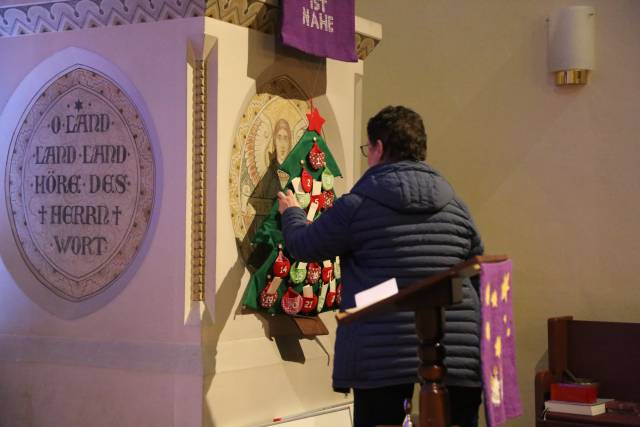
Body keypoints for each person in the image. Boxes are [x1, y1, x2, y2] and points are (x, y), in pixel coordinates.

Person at [277, 106, 484, 427]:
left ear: (379, 148)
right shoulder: (458, 208)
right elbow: (477, 274)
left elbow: (305, 245)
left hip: (381, 354)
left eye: (367, 149)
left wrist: (291, 212)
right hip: (456, 352)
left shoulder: (358, 206)